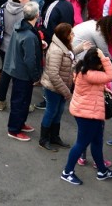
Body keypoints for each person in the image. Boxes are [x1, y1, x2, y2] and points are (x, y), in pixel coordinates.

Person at [60, 48, 112, 185]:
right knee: (81, 144)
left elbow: (90, 86)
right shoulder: (90, 73)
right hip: (87, 114)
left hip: (89, 112)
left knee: (97, 141)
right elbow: (111, 75)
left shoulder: (83, 68)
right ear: (96, 63)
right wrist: (104, 57)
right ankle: (67, 172)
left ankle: (102, 171)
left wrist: (103, 88)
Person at [39, 23, 88, 152]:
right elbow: (54, 75)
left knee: (58, 111)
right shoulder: (56, 50)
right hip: (55, 88)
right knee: (51, 111)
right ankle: (43, 139)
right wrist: (67, 93)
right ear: (65, 36)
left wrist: (80, 48)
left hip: (61, 86)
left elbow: (68, 55)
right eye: (71, 33)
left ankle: (54, 136)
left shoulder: (62, 45)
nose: (73, 35)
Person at [3, 2, 43, 142]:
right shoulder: (30, 36)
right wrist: (36, 76)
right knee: (20, 101)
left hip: (16, 68)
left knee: (22, 100)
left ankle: (20, 123)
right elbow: (30, 60)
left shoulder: (20, 26)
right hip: (24, 74)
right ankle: (14, 129)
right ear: (37, 15)